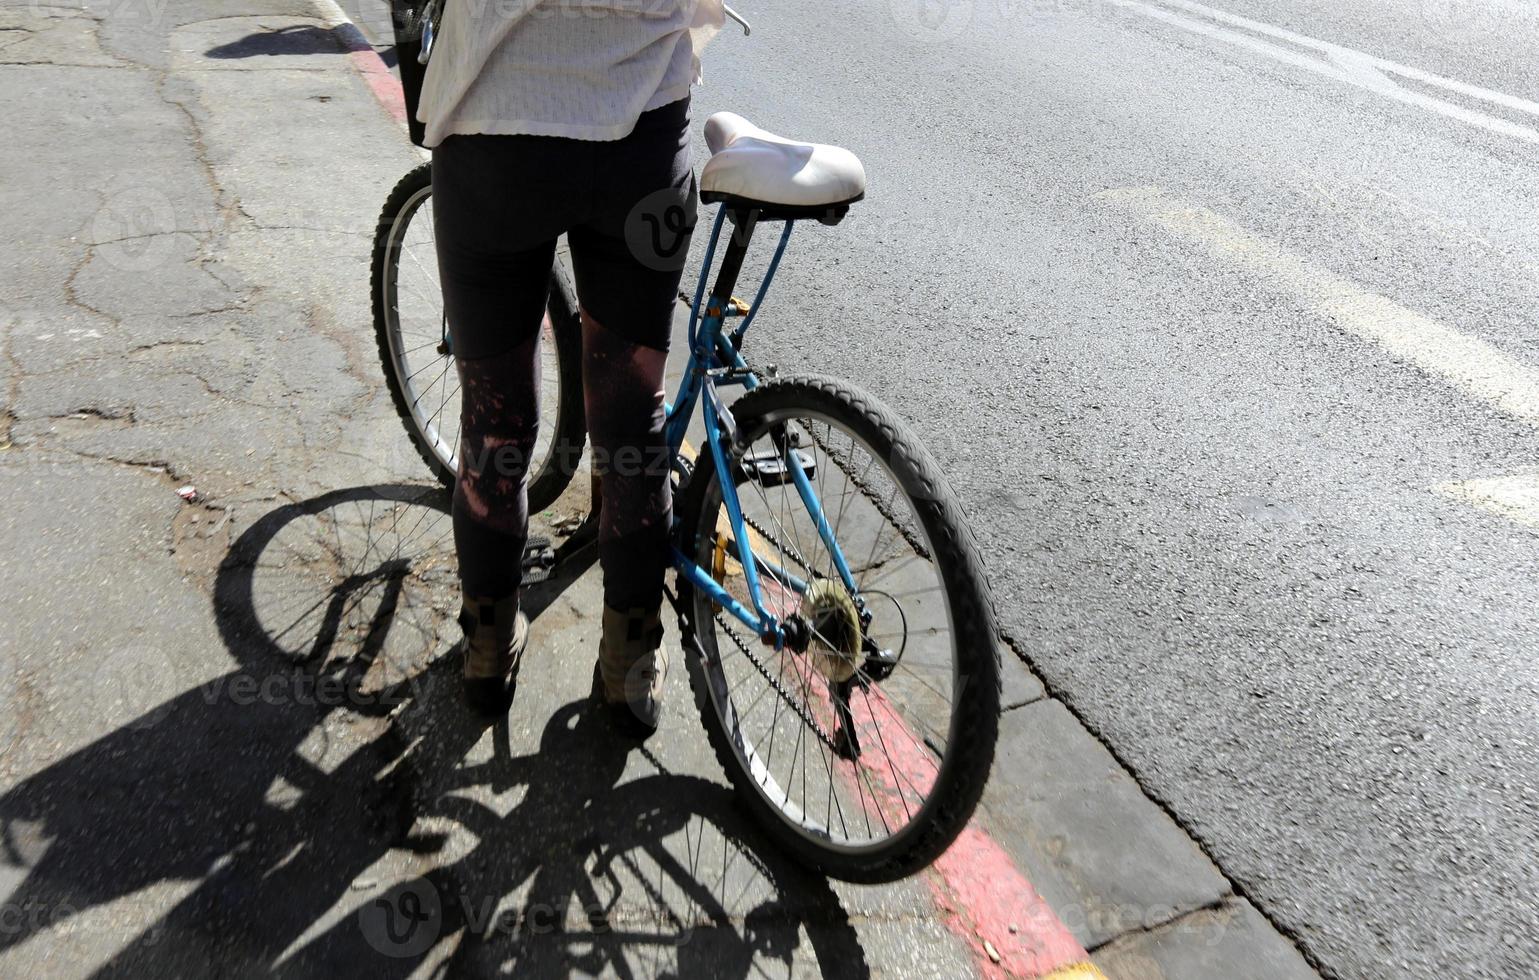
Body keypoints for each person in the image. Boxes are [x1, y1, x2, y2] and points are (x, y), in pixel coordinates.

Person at [416, 0, 723, 730]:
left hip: (494, 129)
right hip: (643, 136)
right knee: (631, 423)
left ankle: (487, 650)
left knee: (495, 422)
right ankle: (628, 669)